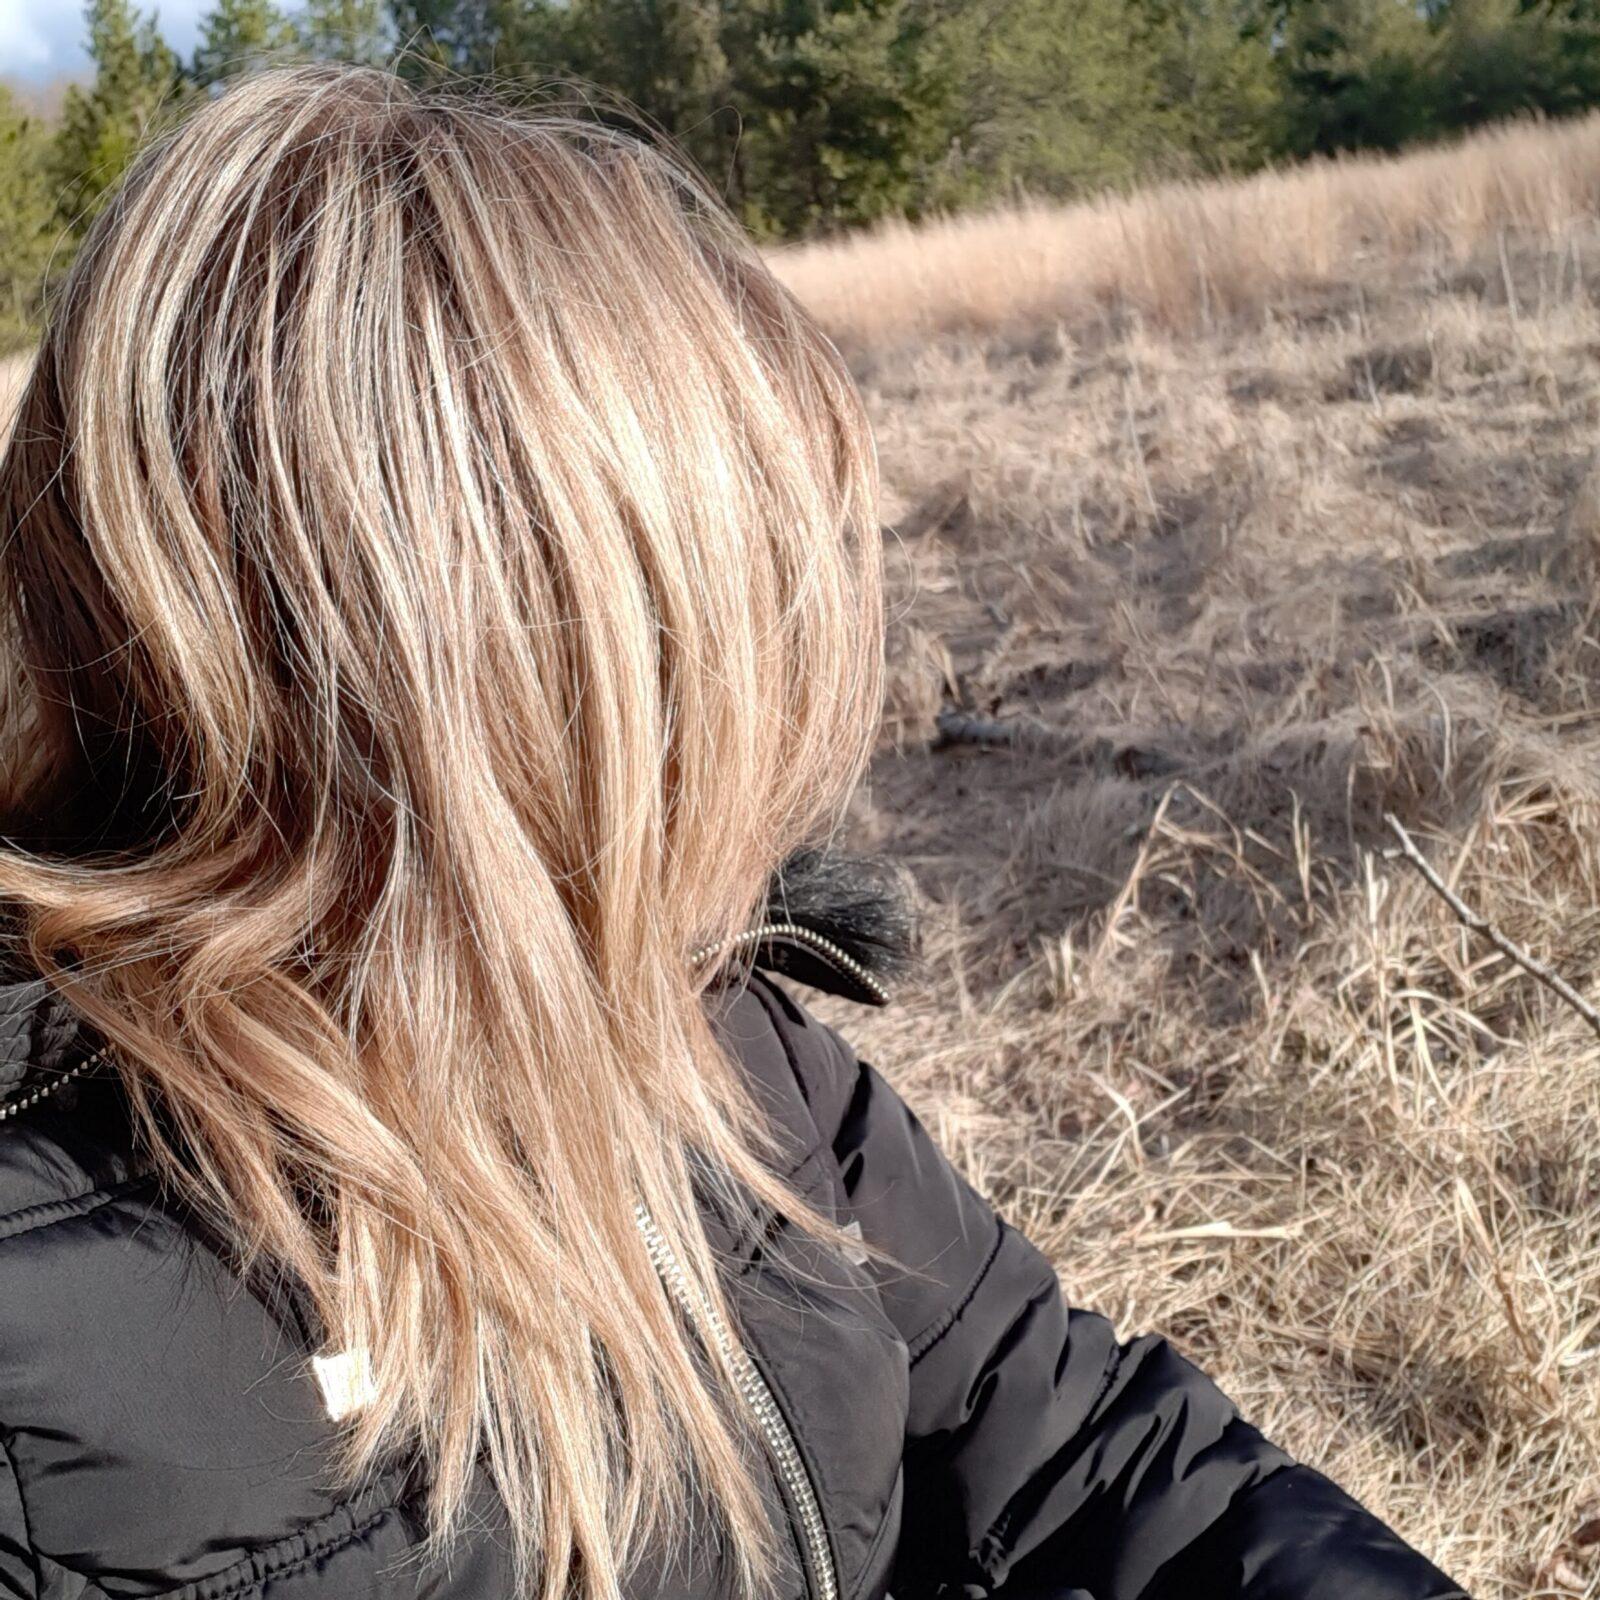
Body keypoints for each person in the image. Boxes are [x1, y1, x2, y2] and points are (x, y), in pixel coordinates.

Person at [0, 64, 1467, 1600]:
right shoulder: (40, 1371)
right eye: (711, 641)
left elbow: (1081, 1449)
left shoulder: (721, 1039)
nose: (765, 751)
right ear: (491, 687)